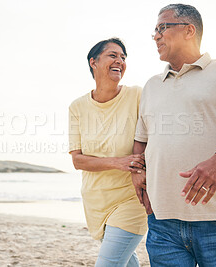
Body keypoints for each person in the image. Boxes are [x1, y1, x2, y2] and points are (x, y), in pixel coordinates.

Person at [132, 4, 216, 267]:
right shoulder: (150, 86)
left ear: (189, 30)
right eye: (154, 32)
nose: (156, 36)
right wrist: (137, 173)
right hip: (162, 222)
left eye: (162, 28)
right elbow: (141, 140)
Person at [69, 38, 148, 267]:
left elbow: (153, 140)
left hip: (131, 199)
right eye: (113, 55)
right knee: (126, 261)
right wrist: (119, 162)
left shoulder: (137, 96)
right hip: (96, 200)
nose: (120, 61)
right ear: (94, 62)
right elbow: (78, 160)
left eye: (123, 57)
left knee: (109, 263)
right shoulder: (77, 107)